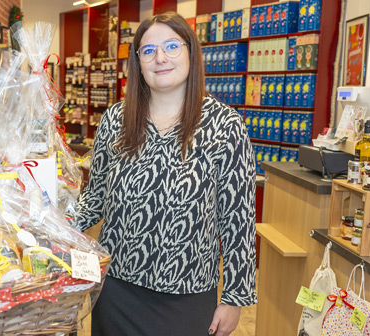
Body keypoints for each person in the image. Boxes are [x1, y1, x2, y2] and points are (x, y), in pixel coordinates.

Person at [71, 12, 256, 336]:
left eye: (171, 46)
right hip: (115, 293)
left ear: (190, 53)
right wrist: (45, 222)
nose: (160, 58)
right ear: (138, 63)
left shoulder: (224, 125)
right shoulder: (116, 119)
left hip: (186, 297)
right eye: (148, 50)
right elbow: (95, 197)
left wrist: (235, 296)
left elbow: (238, 218)